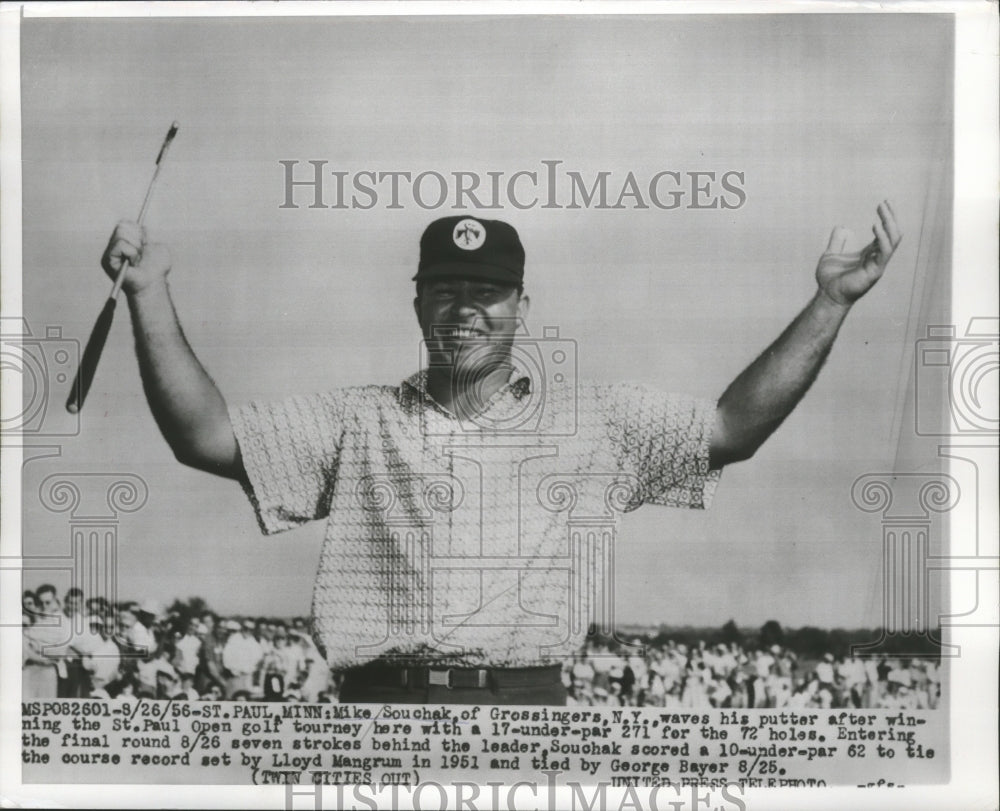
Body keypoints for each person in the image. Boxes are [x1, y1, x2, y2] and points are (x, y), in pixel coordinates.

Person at [100, 204, 902, 705]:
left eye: (484, 292)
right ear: (417, 300)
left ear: (523, 305)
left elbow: (732, 428)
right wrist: (149, 292)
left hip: (526, 708)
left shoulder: (595, 422)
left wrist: (830, 301)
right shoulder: (358, 419)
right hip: (381, 711)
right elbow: (204, 436)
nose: (463, 309)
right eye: (445, 289)